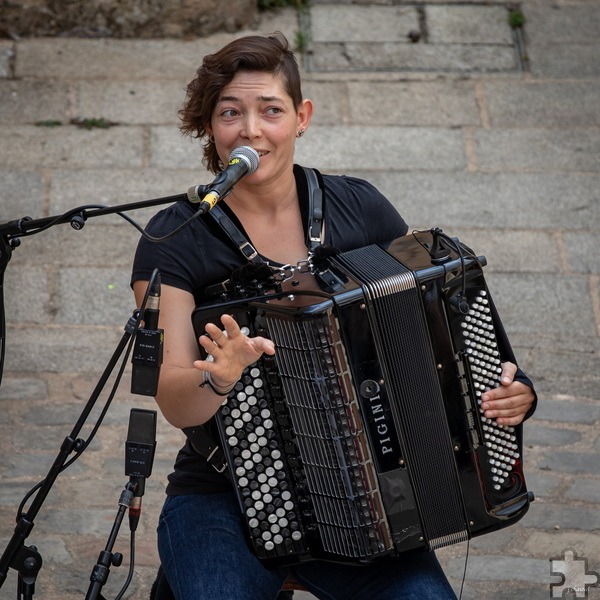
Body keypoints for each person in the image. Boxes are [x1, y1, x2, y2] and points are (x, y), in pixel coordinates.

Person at [132, 33, 536, 600]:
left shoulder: (360, 207)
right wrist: (218, 377)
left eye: (270, 110)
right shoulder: (173, 239)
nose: (250, 129)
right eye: (230, 113)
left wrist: (515, 392)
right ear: (209, 126)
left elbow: (436, 326)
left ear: (302, 117)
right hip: (221, 496)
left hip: (367, 495)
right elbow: (174, 399)